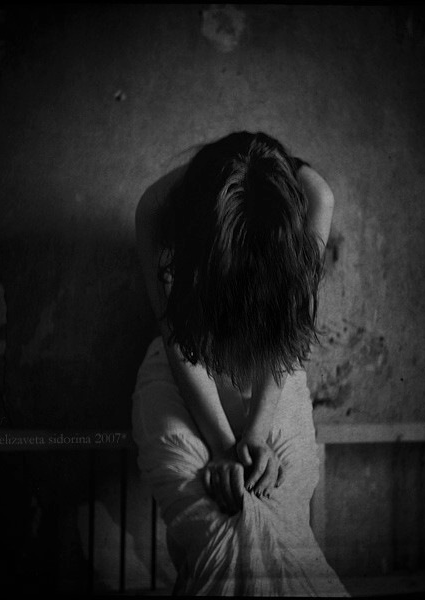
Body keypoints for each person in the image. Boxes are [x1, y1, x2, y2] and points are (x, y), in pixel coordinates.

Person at [132, 131, 348, 595]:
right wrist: (221, 445)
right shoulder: (158, 210)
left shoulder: (315, 199)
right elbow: (179, 339)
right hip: (185, 367)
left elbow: (286, 334)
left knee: (276, 519)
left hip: (272, 366)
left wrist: (255, 434)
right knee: (220, 526)